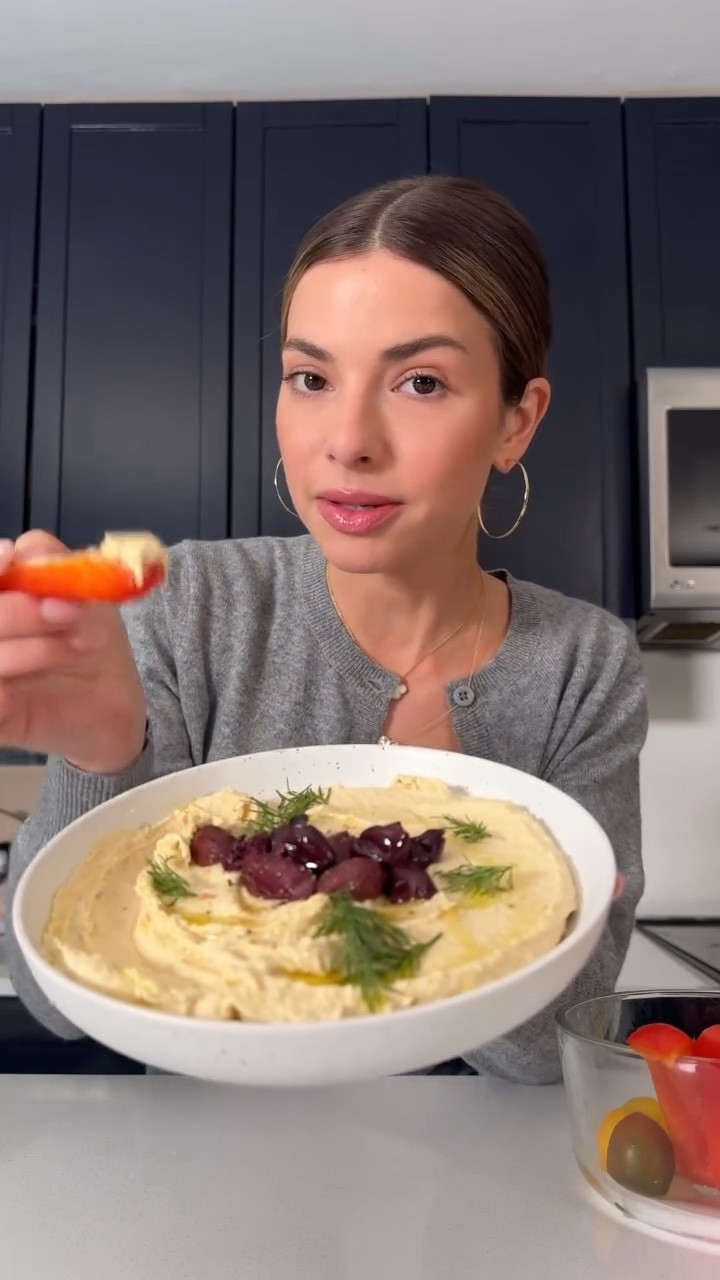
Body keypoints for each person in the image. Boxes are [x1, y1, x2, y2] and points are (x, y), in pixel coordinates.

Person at [2, 176, 647, 1082]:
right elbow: (46, 997)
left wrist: (508, 891)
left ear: (516, 421)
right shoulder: (190, 605)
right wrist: (101, 758)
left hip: (463, 1182)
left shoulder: (586, 666)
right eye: (311, 377)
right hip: (191, 1181)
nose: (346, 440)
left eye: (420, 381)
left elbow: (545, 1056)